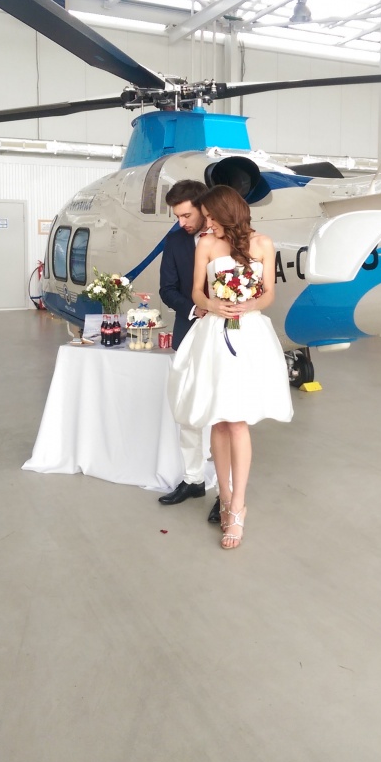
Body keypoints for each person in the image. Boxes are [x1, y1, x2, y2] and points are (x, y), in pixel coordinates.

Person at [168, 185, 293, 549]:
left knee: (237, 420)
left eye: (210, 216)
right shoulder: (206, 244)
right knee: (219, 419)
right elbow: (196, 291)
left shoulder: (263, 244)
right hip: (213, 333)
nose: (206, 223)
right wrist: (213, 304)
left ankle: (238, 505)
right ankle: (223, 497)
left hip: (248, 334)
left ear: (227, 212)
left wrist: (249, 305)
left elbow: (268, 294)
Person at [158, 180, 221, 523]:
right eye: (177, 216)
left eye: (186, 215)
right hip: (189, 331)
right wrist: (195, 309)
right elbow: (167, 289)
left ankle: (225, 492)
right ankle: (193, 479)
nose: (181, 222)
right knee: (187, 409)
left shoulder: (228, 239)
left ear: (203, 207)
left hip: (227, 335)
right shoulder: (175, 242)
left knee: (224, 413)